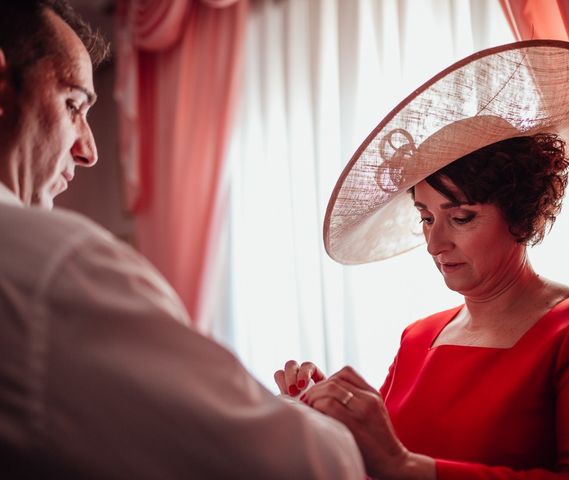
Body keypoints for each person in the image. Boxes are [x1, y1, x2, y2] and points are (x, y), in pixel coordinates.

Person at [0, 1, 365, 478]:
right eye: (73, 105)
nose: (88, 150)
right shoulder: (55, 269)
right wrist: (324, 426)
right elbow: (305, 465)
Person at [275, 41, 569, 479]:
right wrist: (333, 422)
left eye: (461, 217)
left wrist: (402, 464)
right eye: (426, 218)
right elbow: (383, 465)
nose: (434, 243)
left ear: (521, 212)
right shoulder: (418, 338)